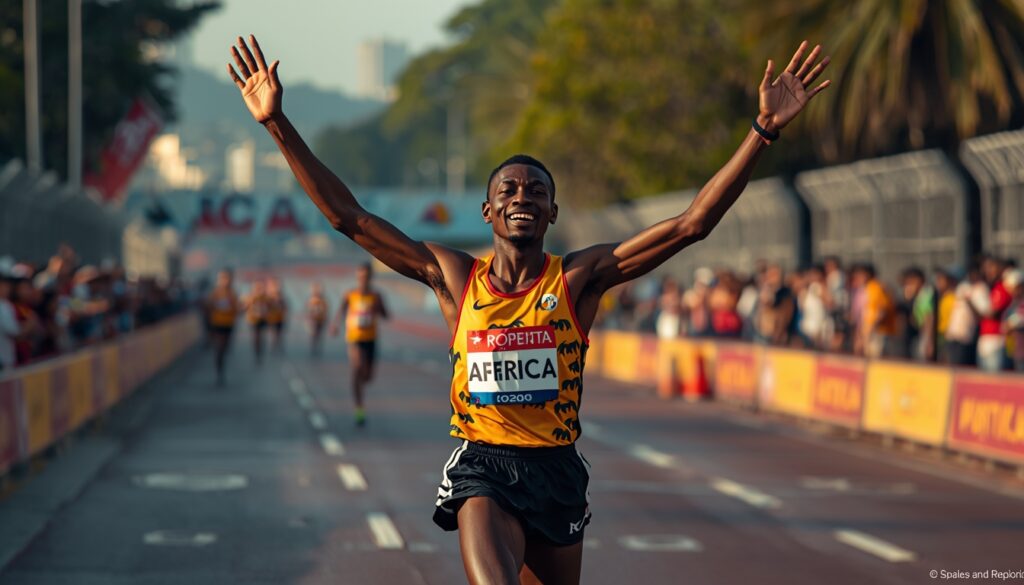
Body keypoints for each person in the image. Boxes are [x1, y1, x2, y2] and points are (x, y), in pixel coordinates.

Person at [227, 34, 829, 584]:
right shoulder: (456, 277)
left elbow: (692, 223)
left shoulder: (578, 278)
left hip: (557, 471)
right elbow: (348, 218)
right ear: (488, 213)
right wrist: (277, 122)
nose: (523, 197)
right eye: (508, 190)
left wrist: (763, 131)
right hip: (483, 466)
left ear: (552, 214)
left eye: (537, 191)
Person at [331, 262, 388, 427]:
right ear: (357, 277)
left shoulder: (376, 296)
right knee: (357, 368)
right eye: (360, 276)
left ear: (370, 277)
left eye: (366, 276)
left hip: (370, 339)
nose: (363, 279)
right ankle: (359, 408)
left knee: (368, 376)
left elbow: (386, 315)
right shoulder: (350, 294)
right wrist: (335, 324)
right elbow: (341, 310)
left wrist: (378, 309)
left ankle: (360, 383)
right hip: (354, 338)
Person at [851, 263, 896, 358]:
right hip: (867, 332)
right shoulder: (864, 289)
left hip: (877, 332)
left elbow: (882, 310)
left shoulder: (876, 288)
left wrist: (871, 329)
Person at [206, 269, 240, 386]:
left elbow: (237, 309)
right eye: (222, 278)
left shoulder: (233, 293)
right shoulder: (215, 293)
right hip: (217, 323)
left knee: (225, 348)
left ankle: (221, 369)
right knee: (219, 348)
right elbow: (208, 306)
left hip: (229, 324)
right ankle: (219, 373)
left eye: (227, 278)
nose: (225, 281)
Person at [977, 255, 1011, 371]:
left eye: (992, 267)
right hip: (984, 338)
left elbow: (993, 314)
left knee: (993, 377)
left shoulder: (1003, 288)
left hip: (996, 339)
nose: (988, 271)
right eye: (986, 268)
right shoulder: (988, 288)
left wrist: (972, 304)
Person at [244, 279, 270, 364]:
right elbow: (244, 307)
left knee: (262, 336)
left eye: (261, 287)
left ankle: (260, 351)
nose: (259, 289)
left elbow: (271, 307)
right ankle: (257, 353)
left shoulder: (266, 298)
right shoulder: (250, 297)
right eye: (257, 287)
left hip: (263, 319)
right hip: (253, 319)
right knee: (256, 336)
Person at [306, 282, 329, 356]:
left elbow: (326, 310)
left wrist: (325, 318)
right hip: (313, 320)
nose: (317, 291)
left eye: (318, 289)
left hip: (321, 320)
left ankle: (317, 347)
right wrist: (309, 319)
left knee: (319, 334)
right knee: (314, 334)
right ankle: (313, 347)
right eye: (315, 289)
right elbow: (308, 310)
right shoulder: (311, 300)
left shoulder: (323, 300)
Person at [265, 278, 288, 354]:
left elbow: (285, 307)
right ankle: (274, 346)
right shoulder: (269, 297)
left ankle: (278, 345)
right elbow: (266, 307)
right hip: (272, 318)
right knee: (274, 332)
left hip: (280, 317)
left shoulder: (282, 297)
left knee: (279, 332)